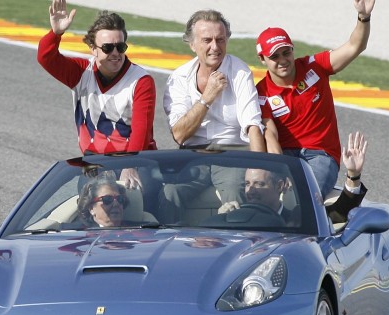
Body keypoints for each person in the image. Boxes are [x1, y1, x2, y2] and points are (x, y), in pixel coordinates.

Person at [256, 0, 376, 198]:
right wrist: (280, 170)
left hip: (321, 154)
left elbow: (355, 45)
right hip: (286, 154)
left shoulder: (315, 66)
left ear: (293, 50)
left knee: (308, 198)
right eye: (275, 56)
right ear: (262, 59)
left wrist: (363, 17)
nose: (283, 60)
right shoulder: (261, 93)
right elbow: (271, 137)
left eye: (286, 52)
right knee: (267, 195)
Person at [159, 9, 267, 223]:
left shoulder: (239, 72)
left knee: (236, 194)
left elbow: (253, 125)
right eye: (207, 40)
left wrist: (261, 169)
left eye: (220, 40)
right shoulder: (179, 77)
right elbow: (179, 134)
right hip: (192, 155)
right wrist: (207, 97)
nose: (215, 47)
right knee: (168, 193)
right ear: (192, 44)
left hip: (232, 153)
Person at [37, 0, 156, 189]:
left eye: (121, 47)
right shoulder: (81, 72)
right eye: (108, 48)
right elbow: (46, 58)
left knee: (141, 194)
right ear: (93, 48)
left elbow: (141, 130)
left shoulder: (141, 80)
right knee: (89, 201)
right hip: (95, 162)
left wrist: (130, 165)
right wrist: (56, 33)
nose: (115, 53)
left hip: (137, 160)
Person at [218, 132, 369, 224]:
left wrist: (353, 174)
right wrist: (222, 220)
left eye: (259, 184)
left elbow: (340, 212)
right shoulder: (233, 215)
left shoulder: (300, 217)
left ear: (280, 186)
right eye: (247, 184)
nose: (250, 190)